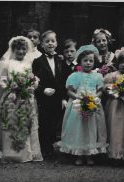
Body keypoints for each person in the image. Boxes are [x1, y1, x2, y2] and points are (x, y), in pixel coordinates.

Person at [0, 36, 43, 163]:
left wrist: (32, 85)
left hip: (25, 96)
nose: (21, 52)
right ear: (13, 49)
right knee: (12, 121)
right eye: (18, 49)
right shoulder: (6, 63)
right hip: (12, 96)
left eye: (23, 49)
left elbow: (33, 78)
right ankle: (12, 153)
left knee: (26, 121)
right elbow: (2, 80)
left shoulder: (29, 63)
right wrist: (10, 86)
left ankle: (28, 153)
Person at [59, 45, 108, 166]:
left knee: (91, 130)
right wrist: (79, 97)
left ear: (94, 62)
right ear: (80, 61)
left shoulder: (97, 76)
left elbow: (101, 90)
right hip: (77, 105)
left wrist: (95, 98)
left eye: (91, 61)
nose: (88, 63)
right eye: (85, 60)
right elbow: (69, 90)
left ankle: (89, 154)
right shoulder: (75, 75)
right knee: (79, 129)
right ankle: (79, 154)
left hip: (93, 104)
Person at [32, 30, 71, 158]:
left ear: (56, 43)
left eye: (52, 41)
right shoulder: (38, 61)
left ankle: (52, 145)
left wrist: (64, 98)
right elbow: (34, 80)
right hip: (44, 98)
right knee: (44, 122)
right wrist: (42, 89)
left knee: (55, 122)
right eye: (47, 41)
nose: (50, 43)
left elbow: (64, 80)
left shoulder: (61, 61)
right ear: (42, 44)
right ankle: (45, 147)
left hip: (58, 97)